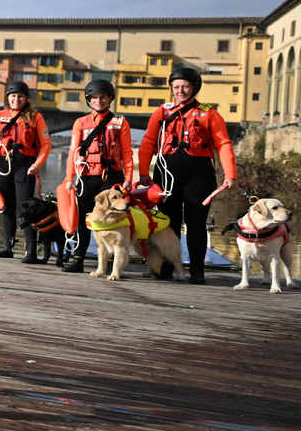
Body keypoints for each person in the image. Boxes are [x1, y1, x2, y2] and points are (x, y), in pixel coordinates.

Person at [139, 67, 237, 284]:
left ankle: (197, 271)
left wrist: (230, 175)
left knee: (196, 224)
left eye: (185, 86)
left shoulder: (209, 113)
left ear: (194, 87)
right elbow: (147, 143)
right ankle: (165, 269)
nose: (180, 91)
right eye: (176, 87)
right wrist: (144, 173)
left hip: (199, 177)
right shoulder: (162, 112)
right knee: (167, 224)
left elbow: (223, 144)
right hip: (166, 176)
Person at [61, 79, 134, 273]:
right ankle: (78, 260)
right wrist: (70, 179)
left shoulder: (120, 122)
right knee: (84, 220)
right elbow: (73, 152)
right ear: (89, 100)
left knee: (115, 217)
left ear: (110, 98)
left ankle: (115, 263)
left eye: (102, 97)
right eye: (94, 98)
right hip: (87, 177)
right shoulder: (80, 123)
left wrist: (128, 178)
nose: (98, 101)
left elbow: (127, 152)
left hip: (112, 177)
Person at [0, 81, 51, 263]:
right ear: (8, 98)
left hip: (25, 165)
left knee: (25, 207)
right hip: (2, 164)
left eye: (20, 96)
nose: (16, 99)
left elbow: (46, 145)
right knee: (5, 206)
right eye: (13, 96)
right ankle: (8, 247)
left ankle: (31, 251)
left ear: (26, 98)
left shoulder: (36, 117)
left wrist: (37, 164)